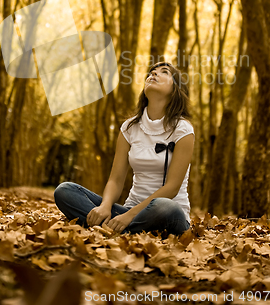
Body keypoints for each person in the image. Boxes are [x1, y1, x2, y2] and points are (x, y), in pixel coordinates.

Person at [54, 62, 195, 236]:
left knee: (164, 206)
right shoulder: (129, 127)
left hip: (168, 215)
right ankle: (120, 229)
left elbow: (172, 188)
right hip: (128, 210)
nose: (153, 74)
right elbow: (116, 179)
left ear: (176, 89)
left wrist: (128, 216)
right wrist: (105, 206)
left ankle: (112, 229)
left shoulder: (183, 129)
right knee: (65, 191)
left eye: (163, 72)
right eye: (151, 73)